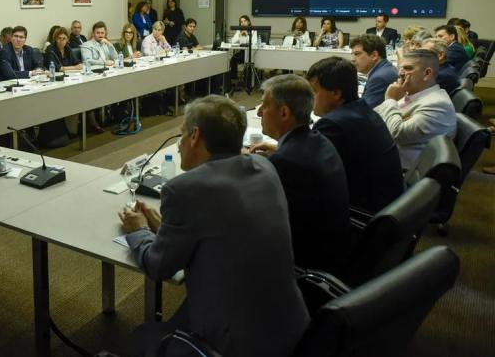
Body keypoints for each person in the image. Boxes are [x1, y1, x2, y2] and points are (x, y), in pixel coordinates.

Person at [118, 96, 308, 356]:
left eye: (181, 134)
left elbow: (159, 266)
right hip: (291, 326)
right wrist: (163, 226)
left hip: (235, 343)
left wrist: (138, 229)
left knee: (141, 337)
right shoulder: (264, 166)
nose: (180, 142)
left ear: (195, 135)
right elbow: (217, 231)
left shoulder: (184, 189)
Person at [252, 74, 350, 272]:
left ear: (284, 113)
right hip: (336, 246)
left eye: (264, 105)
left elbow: (255, 215)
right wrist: (279, 148)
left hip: (303, 263)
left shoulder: (286, 161)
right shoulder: (318, 139)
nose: (259, 112)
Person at [306, 57, 404, 213]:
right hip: (389, 206)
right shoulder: (362, 109)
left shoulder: (333, 125)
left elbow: (309, 174)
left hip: (363, 214)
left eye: (314, 91)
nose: (309, 98)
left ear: (336, 93)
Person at [374, 49, 456, 171]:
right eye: (400, 68)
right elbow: (376, 116)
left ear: (427, 73)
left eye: (408, 68)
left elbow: (397, 133)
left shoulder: (438, 105)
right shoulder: (412, 94)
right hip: (385, 155)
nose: (400, 73)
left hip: (398, 170)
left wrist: (390, 100)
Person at [350, 34, 398, 108]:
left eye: (357, 54)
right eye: (352, 54)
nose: (352, 59)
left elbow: (364, 112)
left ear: (374, 55)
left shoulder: (379, 78)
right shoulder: (385, 68)